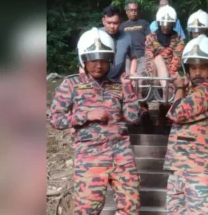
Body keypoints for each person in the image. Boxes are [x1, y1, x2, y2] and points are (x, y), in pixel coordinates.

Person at [50, 27, 141, 215]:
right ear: (84, 59)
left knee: (131, 208)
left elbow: (133, 117)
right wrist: (85, 116)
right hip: (90, 157)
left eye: (103, 60)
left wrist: (128, 89)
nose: (99, 65)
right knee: (87, 210)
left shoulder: (117, 87)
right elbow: (56, 120)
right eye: (93, 60)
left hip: (121, 154)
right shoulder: (71, 85)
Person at [164, 35, 208, 214]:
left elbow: (178, 112)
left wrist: (179, 89)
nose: (198, 72)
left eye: (203, 67)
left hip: (200, 171)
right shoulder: (193, 90)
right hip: (179, 168)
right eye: (193, 67)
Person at [79, 6, 137, 83]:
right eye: (109, 23)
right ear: (103, 21)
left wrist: (132, 73)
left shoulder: (127, 37)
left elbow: (133, 57)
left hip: (118, 82)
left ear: (120, 21)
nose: (112, 26)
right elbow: (82, 59)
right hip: (95, 81)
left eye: (115, 23)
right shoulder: (94, 36)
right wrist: (84, 77)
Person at [145, 4, 184, 98]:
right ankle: (166, 91)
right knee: (157, 58)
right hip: (154, 73)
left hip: (171, 73)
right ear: (159, 22)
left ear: (173, 24)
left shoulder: (178, 39)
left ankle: (168, 99)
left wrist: (169, 75)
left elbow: (176, 59)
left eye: (169, 24)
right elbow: (149, 58)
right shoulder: (151, 38)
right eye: (163, 23)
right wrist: (152, 75)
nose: (166, 26)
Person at [120, 0, 150, 76]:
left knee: (142, 78)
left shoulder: (144, 23)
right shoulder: (122, 26)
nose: (134, 12)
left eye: (135, 10)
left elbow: (149, 39)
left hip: (142, 55)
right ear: (127, 11)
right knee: (127, 77)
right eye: (131, 10)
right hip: (127, 57)